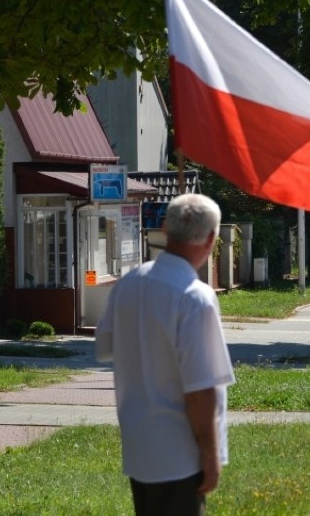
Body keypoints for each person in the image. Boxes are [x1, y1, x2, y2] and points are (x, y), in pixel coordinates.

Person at [96, 193, 235, 516]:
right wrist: (211, 455)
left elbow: (105, 347)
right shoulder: (195, 297)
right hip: (180, 454)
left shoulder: (127, 285)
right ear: (212, 238)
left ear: (164, 228)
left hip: (139, 445)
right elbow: (201, 389)